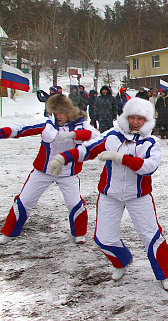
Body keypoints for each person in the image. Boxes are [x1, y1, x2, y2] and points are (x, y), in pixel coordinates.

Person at [48, 97, 168, 290]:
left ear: (147, 121)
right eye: (132, 117)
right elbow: (88, 149)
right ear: (126, 117)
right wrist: (62, 158)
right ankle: (122, 261)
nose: (135, 122)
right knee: (103, 238)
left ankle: (165, 274)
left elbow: (148, 167)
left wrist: (121, 158)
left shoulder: (151, 142)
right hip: (110, 194)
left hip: (138, 195)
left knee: (151, 236)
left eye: (140, 119)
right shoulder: (113, 135)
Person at [0, 94, 97, 245]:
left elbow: (95, 136)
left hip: (67, 174)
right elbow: (20, 129)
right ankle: (8, 232)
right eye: (54, 112)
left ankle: (79, 233)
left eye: (61, 112)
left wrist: (72, 134)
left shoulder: (81, 125)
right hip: (42, 172)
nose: (58, 116)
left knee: (74, 203)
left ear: (68, 112)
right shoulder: (47, 124)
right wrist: (1, 132)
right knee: (24, 200)